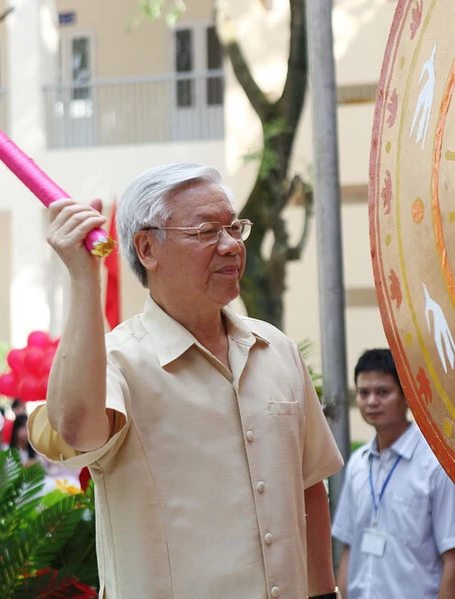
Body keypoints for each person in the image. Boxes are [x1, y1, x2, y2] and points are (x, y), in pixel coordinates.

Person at [28, 163, 345, 599]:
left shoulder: (276, 350)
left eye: (234, 227)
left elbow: (309, 484)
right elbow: (77, 429)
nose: (231, 245)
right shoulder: (119, 361)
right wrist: (84, 279)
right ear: (147, 249)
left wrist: (324, 593)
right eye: (207, 232)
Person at [332, 349, 455, 599]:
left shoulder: (436, 464)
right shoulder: (358, 463)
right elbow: (348, 547)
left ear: (407, 395)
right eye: (364, 393)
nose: (371, 401)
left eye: (383, 392)